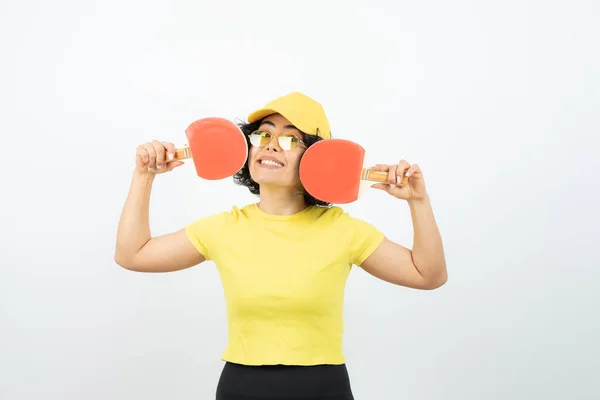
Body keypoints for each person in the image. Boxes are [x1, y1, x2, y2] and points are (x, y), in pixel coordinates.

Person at [114, 92, 447, 400]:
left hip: (323, 389)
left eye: (290, 138)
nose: (271, 145)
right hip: (240, 388)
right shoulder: (223, 227)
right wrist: (144, 176)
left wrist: (418, 201)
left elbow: (428, 276)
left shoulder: (343, 230)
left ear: (317, 157)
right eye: (263, 134)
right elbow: (133, 254)